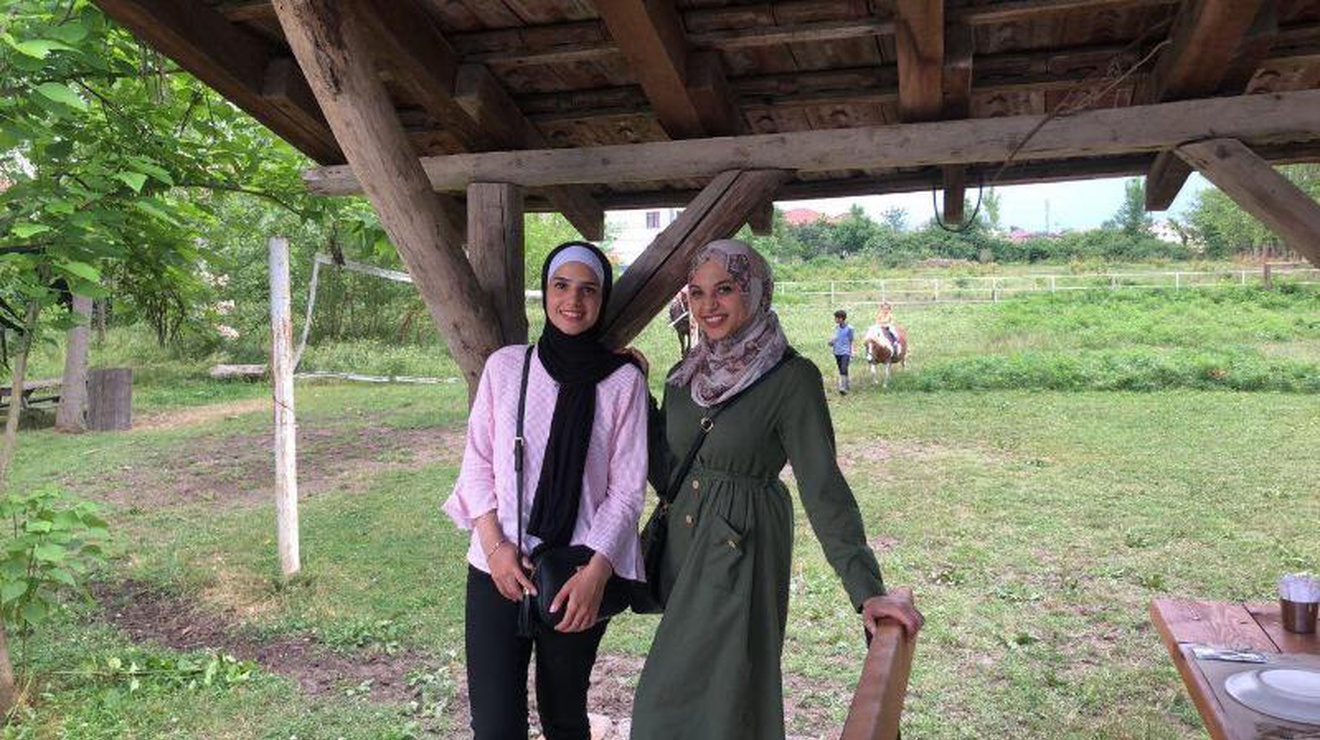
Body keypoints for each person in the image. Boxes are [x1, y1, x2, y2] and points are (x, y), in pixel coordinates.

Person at [629, 239, 922, 740]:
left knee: (687, 703)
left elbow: (823, 486)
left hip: (740, 551)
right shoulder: (685, 376)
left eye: (725, 289)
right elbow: (668, 473)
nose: (708, 305)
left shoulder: (791, 378)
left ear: (756, 291)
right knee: (707, 702)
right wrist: (636, 393)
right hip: (685, 551)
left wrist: (866, 591)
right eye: (697, 292)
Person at [443, 241, 648, 740]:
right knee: (495, 725)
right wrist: (495, 549)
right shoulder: (506, 368)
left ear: (602, 299)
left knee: (564, 717)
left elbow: (626, 490)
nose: (573, 300)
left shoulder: (622, 382)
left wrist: (597, 573)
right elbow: (477, 464)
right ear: (545, 291)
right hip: (497, 568)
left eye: (588, 290)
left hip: (577, 573)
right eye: (561, 285)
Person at [829, 308, 855, 395]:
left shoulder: (850, 329)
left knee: (844, 368)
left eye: (836, 318)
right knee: (841, 369)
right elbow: (834, 339)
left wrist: (852, 352)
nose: (835, 320)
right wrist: (831, 342)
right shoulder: (836, 328)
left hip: (846, 352)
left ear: (841, 318)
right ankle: (846, 384)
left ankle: (842, 387)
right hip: (837, 351)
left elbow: (851, 341)